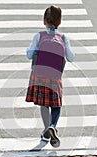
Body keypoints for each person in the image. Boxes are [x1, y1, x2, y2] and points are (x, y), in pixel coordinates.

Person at [25, 5, 75, 148]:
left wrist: (32, 51)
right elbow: (71, 57)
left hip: (39, 76)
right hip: (55, 76)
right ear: (59, 21)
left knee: (44, 104)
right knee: (56, 105)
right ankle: (52, 126)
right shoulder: (63, 38)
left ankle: (47, 130)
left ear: (44, 20)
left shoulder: (39, 36)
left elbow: (29, 55)